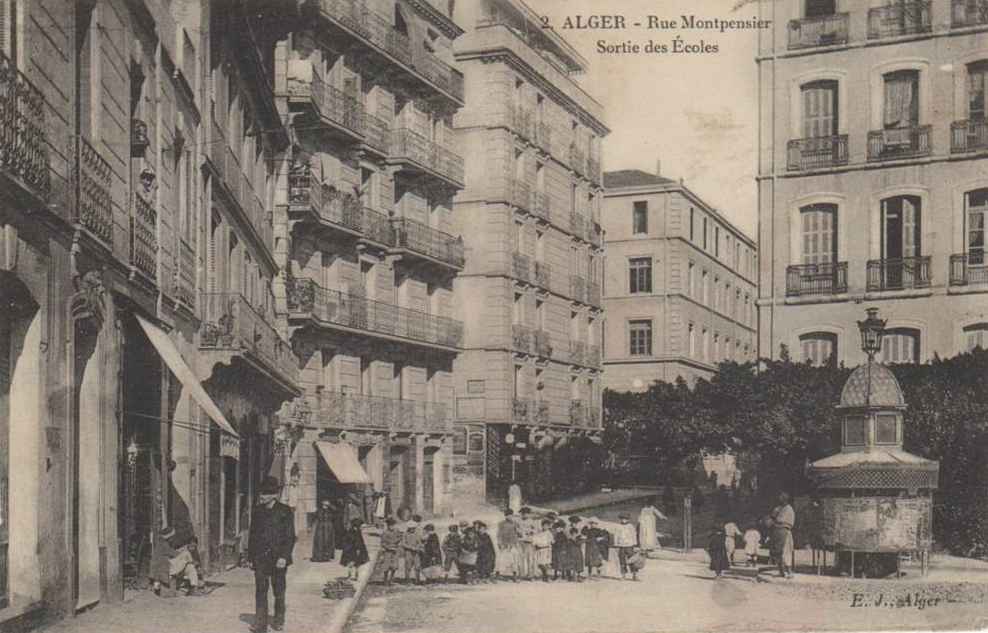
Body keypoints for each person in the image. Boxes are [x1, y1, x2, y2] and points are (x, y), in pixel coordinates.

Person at [247, 476, 296, 633]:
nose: (262, 496)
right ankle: (260, 625)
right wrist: (250, 558)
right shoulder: (257, 511)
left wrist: (284, 556)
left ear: (274, 495)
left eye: (266, 493)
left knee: (278, 590)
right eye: (262, 493)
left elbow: (290, 537)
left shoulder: (285, 511)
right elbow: (252, 536)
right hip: (260, 557)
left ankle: (279, 620)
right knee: (260, 590)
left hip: (278, 559)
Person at [150, 526, 204, 597]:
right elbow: (174, 554)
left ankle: (194, 588)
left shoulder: (165, 544)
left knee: (190, 567)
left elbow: (173, 553)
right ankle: (196, 567)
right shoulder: (163, 545)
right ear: (169, 537)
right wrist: (183, 552)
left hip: (171, 567)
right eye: (172, 536)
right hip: (168, 569)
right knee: (186, 554)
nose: (173, 538)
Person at [771, 493, 796, 578]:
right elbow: (773, 518)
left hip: (784, 531)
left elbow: (781, 520)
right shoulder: (779, 508)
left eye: (781, 498)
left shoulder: (789, 509)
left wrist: (775, 518)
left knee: (786, 552)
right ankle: (781, 571)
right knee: (777, 552)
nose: (779, 499)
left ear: (785, 499)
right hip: (777, 531)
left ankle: (789, 572)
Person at [496, 510, 522, 581]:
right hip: (504, 545)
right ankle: (498, 574)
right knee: (502, 560)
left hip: (513, 544)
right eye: (508, 515)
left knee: (514, 560)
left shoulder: (516, 524)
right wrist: (500, 543)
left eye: (511, 515)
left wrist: (518, 530)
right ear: (505, 516)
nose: (509, 516)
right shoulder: (501, 524)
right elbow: (499, 534)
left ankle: (515, 575)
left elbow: (520, 534)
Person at [613, 513, 638, 580]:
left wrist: (634, 544)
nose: (624, 520)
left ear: (628, 519)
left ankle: (634, 575)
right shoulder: (618, 526)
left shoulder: (630, 526)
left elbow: (634, 535)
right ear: (620, 519)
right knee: (622, 560)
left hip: (629, 545)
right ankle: (623, 575)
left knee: (632, 560)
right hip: (621, 545)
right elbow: (616, 535)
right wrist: (616, 544)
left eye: (625, 519)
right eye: (622, 519)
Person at [378, 518, 402, 585]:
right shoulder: (385, 533)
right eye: (390, 525)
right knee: (386, 566)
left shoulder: (397, 531)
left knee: (394, 566)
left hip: (395, 551)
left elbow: (400, 537)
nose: (392, 527)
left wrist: (398, 542)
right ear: (387, 525)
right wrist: (389, 548)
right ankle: (385, 580)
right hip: (388, 551)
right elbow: (383, 543)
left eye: (393, 525)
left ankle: (391, 579)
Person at [402, 520, 424, 584]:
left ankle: (417, 580)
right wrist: (411, 547)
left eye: (414, 528)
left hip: (416, 553)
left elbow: (419, 542)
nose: (413, 529)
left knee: (417, 566)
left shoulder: (417, 534)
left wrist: (418, 547)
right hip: (408, 552)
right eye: (411, 528)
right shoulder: (405, 534)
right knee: (408, 567)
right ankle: (407, 580)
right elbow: (403, 543)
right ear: (409, 528)